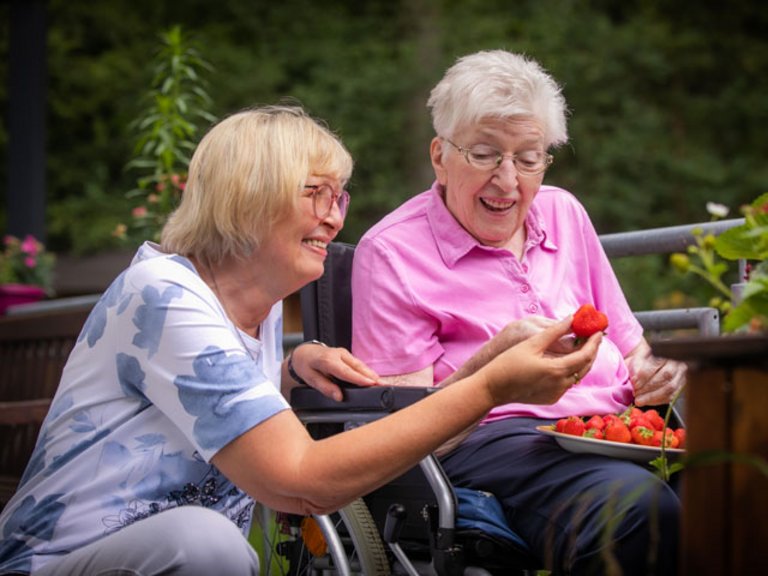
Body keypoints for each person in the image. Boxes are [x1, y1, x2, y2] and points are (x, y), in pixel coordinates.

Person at [0, 105, 601, 576]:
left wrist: (286, 370)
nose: (336, 217)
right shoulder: (164, 297)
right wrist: (492, 387)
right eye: (315, 193)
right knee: (206, 545)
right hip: (50, 563)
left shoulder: (246, 312)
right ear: (249, 193)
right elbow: (300, 479)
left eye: (338, 197)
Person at [351, 51, 687, 575]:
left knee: (742, 486)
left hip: (617, 430)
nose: (509, 180)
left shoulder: (564, 212)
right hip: (497, 442)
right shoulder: (392, 252)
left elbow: (632, 348)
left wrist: (655, 371)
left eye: (529, 157)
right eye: (485, 154)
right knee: (641, 510)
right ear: (440, 156)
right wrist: (494, 365)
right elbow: (404, 436)